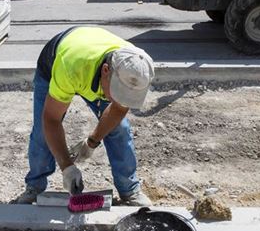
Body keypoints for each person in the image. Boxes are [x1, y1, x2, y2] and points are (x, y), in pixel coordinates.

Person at [15, 26, 155, 206]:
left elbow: (119, 109)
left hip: (89, 56)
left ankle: (129, 189)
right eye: (116, 92)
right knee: (43, 133)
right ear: (106, 71)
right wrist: (67, 167)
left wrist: (92, 141)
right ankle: (35, 187)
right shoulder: (71, 67)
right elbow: (51, 120)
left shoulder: (136, 68)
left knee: (120, 129)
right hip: (59, 60)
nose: (117, 100)